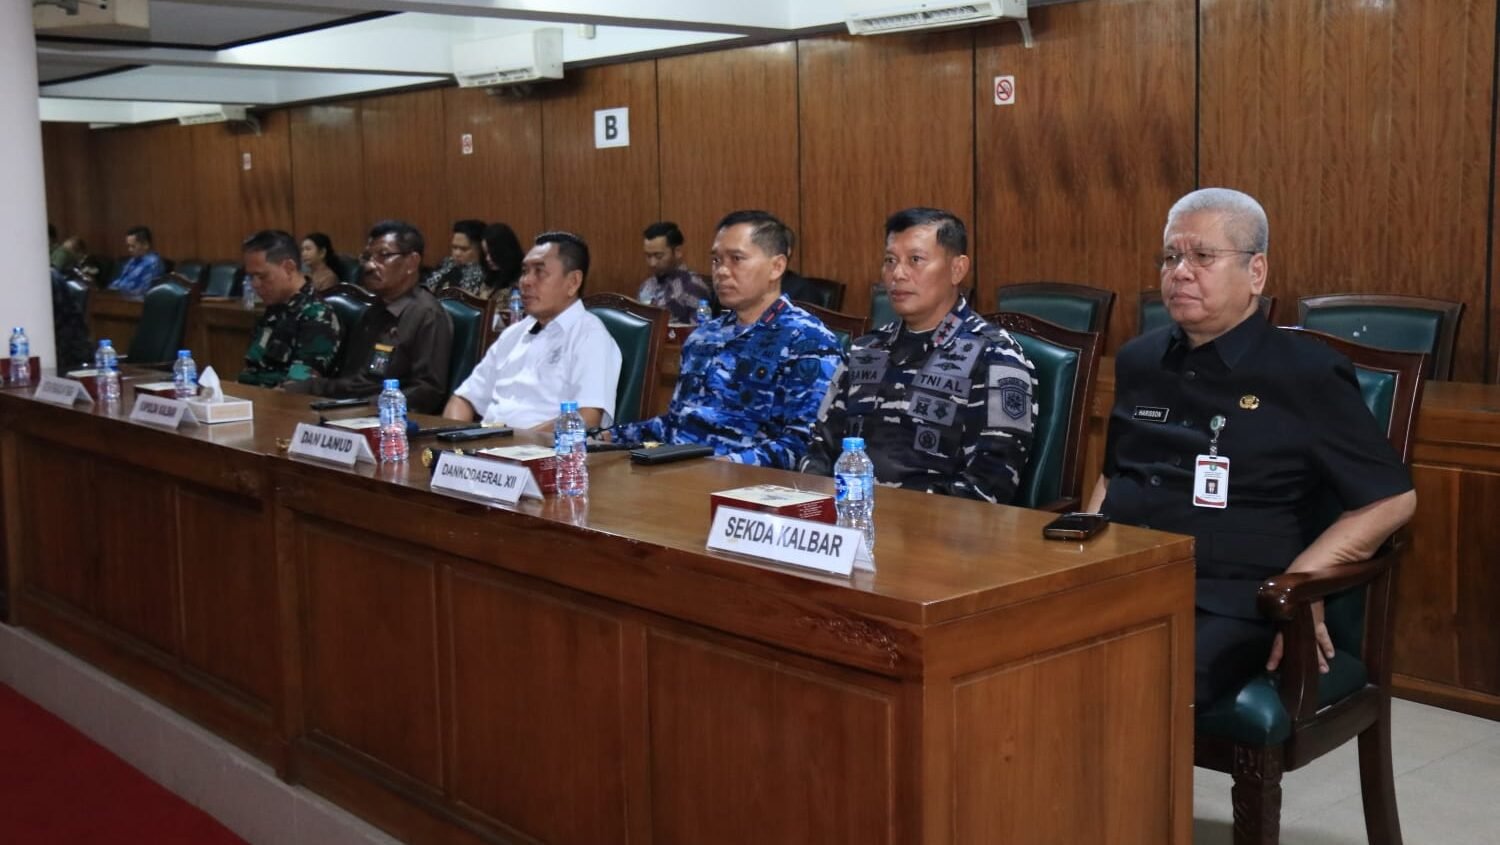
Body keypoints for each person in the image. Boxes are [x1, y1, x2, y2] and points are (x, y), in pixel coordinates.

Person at [1086, 188, 1417, 707]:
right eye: (1171, 257)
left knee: (1133, 684)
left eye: (1202, 256)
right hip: (1123, 577)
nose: (1180, 271)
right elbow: (1111, 478)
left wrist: (1301, 587)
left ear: (1256, 273)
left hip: (1229, 598)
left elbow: (1390, 499)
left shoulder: (1306, 373)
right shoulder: (1138, 359)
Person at [801, 208, 1037, 503]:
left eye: (915, 260)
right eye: (890, 261)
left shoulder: (993, 355)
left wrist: (900, 517)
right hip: (849, 522)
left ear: (957, 269)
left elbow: (991, 483)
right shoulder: (866, 349)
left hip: (937, 532)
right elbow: (820, 449)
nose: (897, 274)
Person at [608, 210, 843, 468]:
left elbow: (805, 445)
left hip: (747, 489)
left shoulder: (808, 341)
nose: (721, 271)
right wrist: (603, 437)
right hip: (677, 473)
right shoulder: (703, 337)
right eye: (716, 260)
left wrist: (719, 466)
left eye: (736, 259)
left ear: (777, 266)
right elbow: (676, 423)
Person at [443, 231, 621, 431]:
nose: (525, 281)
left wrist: (512, 444)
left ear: (573, 282)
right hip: (489, 450)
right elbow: (463, 399)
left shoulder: (590, 335)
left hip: (543, 456)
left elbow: (587, 418)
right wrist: (454, 442)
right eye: (525, 271)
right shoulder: (514, 334)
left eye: (539, 272)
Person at [284, 220, 454, 414]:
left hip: (384, 420)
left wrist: (361, 408)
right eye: (367, 257)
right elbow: (352, 382)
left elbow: (427, 392)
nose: (370, 266)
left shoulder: (427, 315)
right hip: (344, 408)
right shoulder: (373, 311)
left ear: (412, 262)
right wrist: (308, 388)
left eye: (383, 256)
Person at [237, 229, 342, 388]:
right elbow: (250, 372)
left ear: (289, 268)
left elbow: (297, 387)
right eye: (251, 277)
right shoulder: (274, 310)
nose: (255, 284)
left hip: (282, 407)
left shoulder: (317, 315)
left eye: (262, 276)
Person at [637, 221, 712, 323]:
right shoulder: (646, 285)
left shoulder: (693, 287)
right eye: (648, 256)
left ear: (677, 252)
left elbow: (701, 333)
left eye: (658, 256)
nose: (652, 263)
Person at [424, 218, 489, 297]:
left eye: (464, 249)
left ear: (480, 249)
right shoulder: (446, 264)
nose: (457, 253)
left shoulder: (485, 276)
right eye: (454, 247)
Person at [108, 225, 165, 295]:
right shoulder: (132, 260)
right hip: (120, 298)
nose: (129, 250)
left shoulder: (153, 264)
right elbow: (120, 281)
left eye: (133, 246)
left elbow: (142, 291)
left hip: (136, 302)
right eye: (128, 246)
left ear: (146, 245)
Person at [479, 222, 524, 296]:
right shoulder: (489, 276)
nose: (488, 258)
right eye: (485, 254)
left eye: (492, 253)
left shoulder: (522, 279)